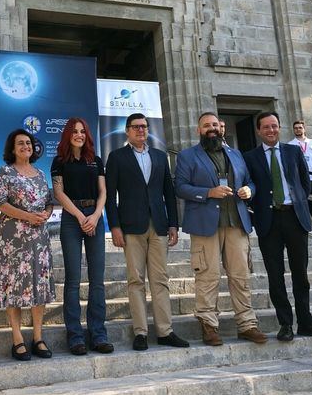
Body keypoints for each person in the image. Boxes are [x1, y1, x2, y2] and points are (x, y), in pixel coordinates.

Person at [175, 112, 267, 346]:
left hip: (237, 222)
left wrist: (249, 191)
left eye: (215, 124)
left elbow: (251, 182)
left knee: (241, 276)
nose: (212, 128)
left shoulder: (236, 154)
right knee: (208, 276)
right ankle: (209, 325)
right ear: (199, 130)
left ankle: (247, 324)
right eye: (207, 125)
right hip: (206, 225)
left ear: (221, 128)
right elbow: (180, 187)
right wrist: (208, 193)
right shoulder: (187, 156)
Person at [243, 112, 312, 342]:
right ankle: (285, 324)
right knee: (275, 276)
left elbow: (305, 181)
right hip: (269, 221)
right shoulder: (250, 157)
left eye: (274, 126)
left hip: (295, 218)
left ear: (279, 127)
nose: (271, 130)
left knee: (300, 274)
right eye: (266, 127)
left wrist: (300, 201)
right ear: (258, 130)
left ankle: (306, 322)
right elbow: (249, 185)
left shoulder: (293, 151)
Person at [105, 113, 189, 351]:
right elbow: (111, 197)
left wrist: (174, 223)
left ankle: (165, 331)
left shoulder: (160, 157)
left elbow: (169, 193)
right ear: (127, 131)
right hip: (131, 227)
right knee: (136, 280)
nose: (141, 130)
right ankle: (140, 332)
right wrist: (115, 226)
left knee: (160, 280)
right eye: (136, 127)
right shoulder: (117, 157)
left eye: (144, 126)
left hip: (159, 226)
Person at [51, 118, 113, 356]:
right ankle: (75, 336)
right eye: (74, 131)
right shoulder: (59, 162)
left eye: (82, 131)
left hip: (94, 217)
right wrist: (79, 217)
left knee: (97, 280)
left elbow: (103, 191)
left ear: (87, 135)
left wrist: (96, 215)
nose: (79, 135)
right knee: (73, 280)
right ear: (68, 135)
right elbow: (58, 191)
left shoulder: (95, 161)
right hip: (71, 218)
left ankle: (98, 334)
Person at [0, 129, 55, 361]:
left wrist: (46, 214)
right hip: (14, 241)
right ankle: (17, 338)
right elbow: (1, 203)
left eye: (28, 143)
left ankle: (38, 337)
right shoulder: (5, 172)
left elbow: (49, 202)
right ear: (12, 148)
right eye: (20, 143)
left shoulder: (39, 174)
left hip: (39, 240)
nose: (25, 146)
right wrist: (28, 216)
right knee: (14, 286)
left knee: (38, 286)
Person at [289, 120, 312, 225]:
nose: (298, 129)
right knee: (301, 199)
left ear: (304, 129)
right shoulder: (291, 144)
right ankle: (303, 221)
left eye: (300, 127)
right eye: (295, 128)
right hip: (299, 178)